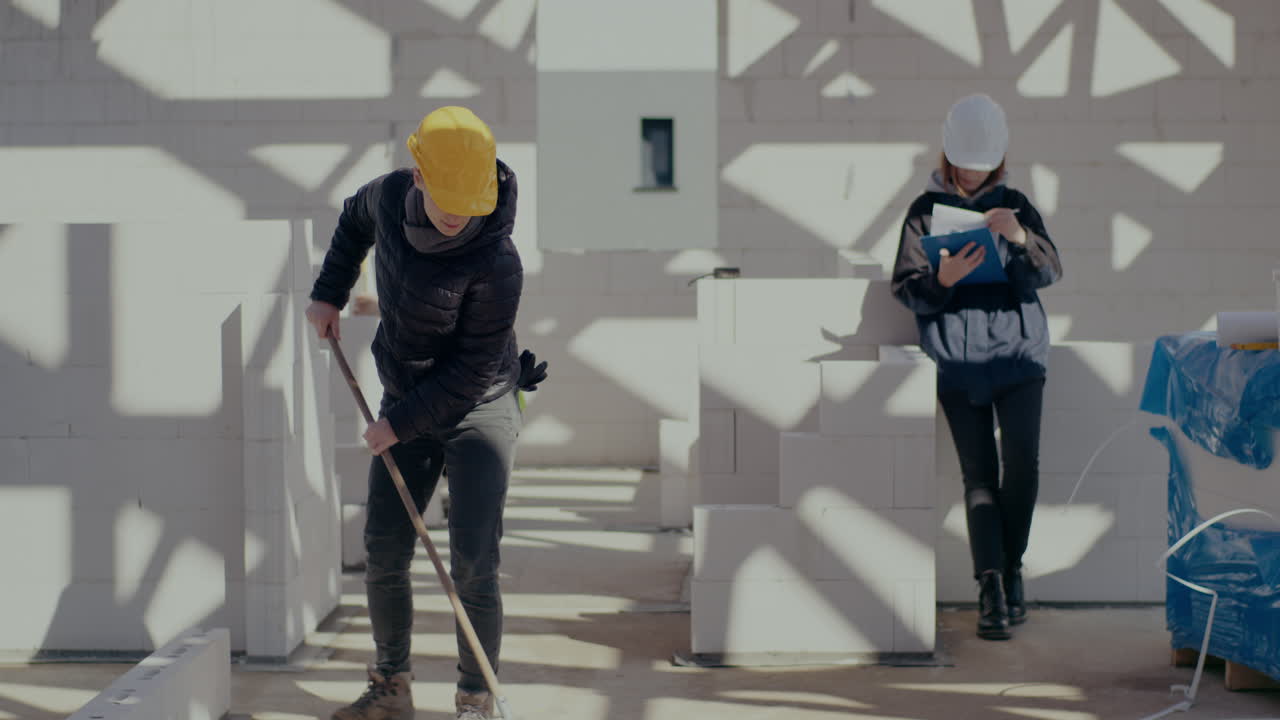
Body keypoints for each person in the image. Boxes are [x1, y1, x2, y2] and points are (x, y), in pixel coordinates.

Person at [306, 106, 545, 720]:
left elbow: (468, 373)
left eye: (471, 200)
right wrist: (329, 291)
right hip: (404, 395)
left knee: (472, 559)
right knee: (384, 547)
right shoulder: (387, 197)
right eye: (448, 199)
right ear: (418, 174)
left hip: (480, 406)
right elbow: (352, 223)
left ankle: (474, 699)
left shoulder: (498, 261)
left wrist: (397, 424)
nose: (459, 213)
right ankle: (391, 686)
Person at [890, 94, 1063, 641]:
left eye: (982, 163)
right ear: (947, 155)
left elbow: (1050, 270)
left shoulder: (1016, 205)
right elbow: (905, 287)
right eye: (964, 161)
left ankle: (1011, 570)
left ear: (998, 158)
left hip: (1018, 356)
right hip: (958, 363)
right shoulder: (923, 212)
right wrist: (941, 282)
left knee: (1024, 470)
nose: (972, 172)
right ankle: (991, 588)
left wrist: (1016, 238)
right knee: (979, 479)